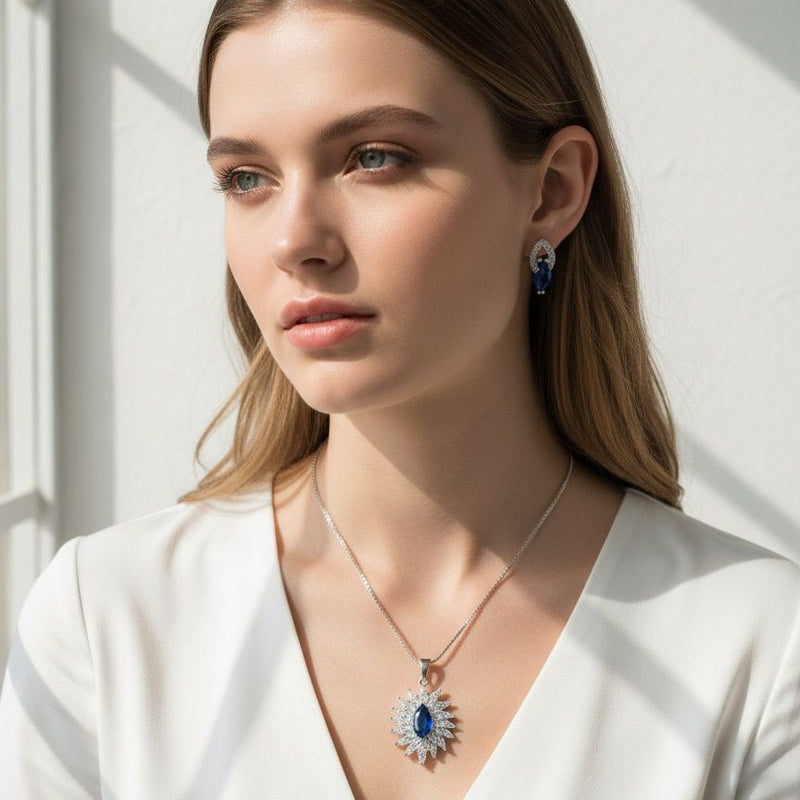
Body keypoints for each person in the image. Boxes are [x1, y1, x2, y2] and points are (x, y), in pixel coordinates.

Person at [1, 0, 798, 797]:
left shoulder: (759, 652)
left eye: (373, 158)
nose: (294, 240)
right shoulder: (108, 625)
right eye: (247, 179)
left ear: (552, 191)